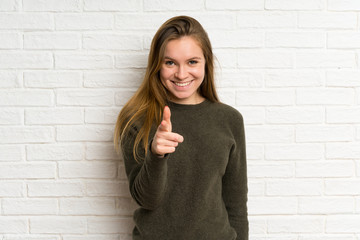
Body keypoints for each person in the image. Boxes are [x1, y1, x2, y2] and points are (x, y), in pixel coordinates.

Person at [114, 15, 248, 240]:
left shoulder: (229, 119)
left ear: (206, 62)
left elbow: (236, 205)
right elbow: (146, 200)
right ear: (157, 65)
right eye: (170, 63)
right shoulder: (136, 119)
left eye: (192, 62)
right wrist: (156, 155)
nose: (182, 74)